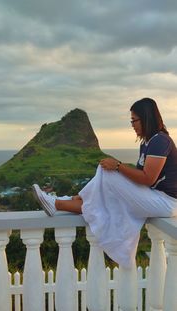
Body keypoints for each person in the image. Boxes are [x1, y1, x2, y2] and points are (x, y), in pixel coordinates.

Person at [32, 98, 177, 268]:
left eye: (134, 120)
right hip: (153, 196)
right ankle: (57, 203)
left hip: (167, 202)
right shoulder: (147, 142)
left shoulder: (160, 141)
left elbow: (147, 178)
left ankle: (64, 200)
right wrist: (118, 171)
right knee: (102, 192)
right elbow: (141, 178)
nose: (132, 125)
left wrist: (117, 166)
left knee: (107, 172)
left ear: (146, 118)